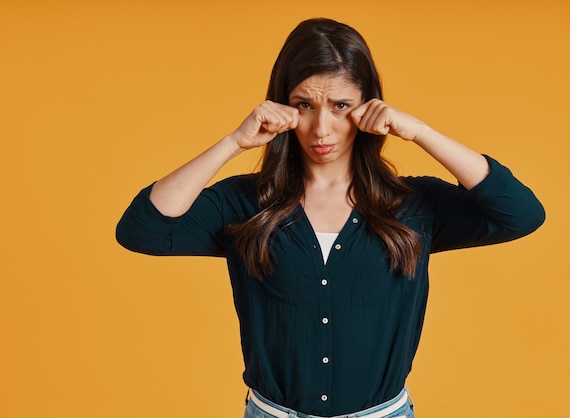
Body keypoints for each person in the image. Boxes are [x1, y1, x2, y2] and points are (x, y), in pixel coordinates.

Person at [116, 17, 545, 418]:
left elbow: (520, 214)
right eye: (304, 105)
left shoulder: (413, 204)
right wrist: (233, 142)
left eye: (341, 106)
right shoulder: (246, 204)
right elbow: (141, 230)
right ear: (283, 105)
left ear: (368, 107)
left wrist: (420, 132)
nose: (322, 129)